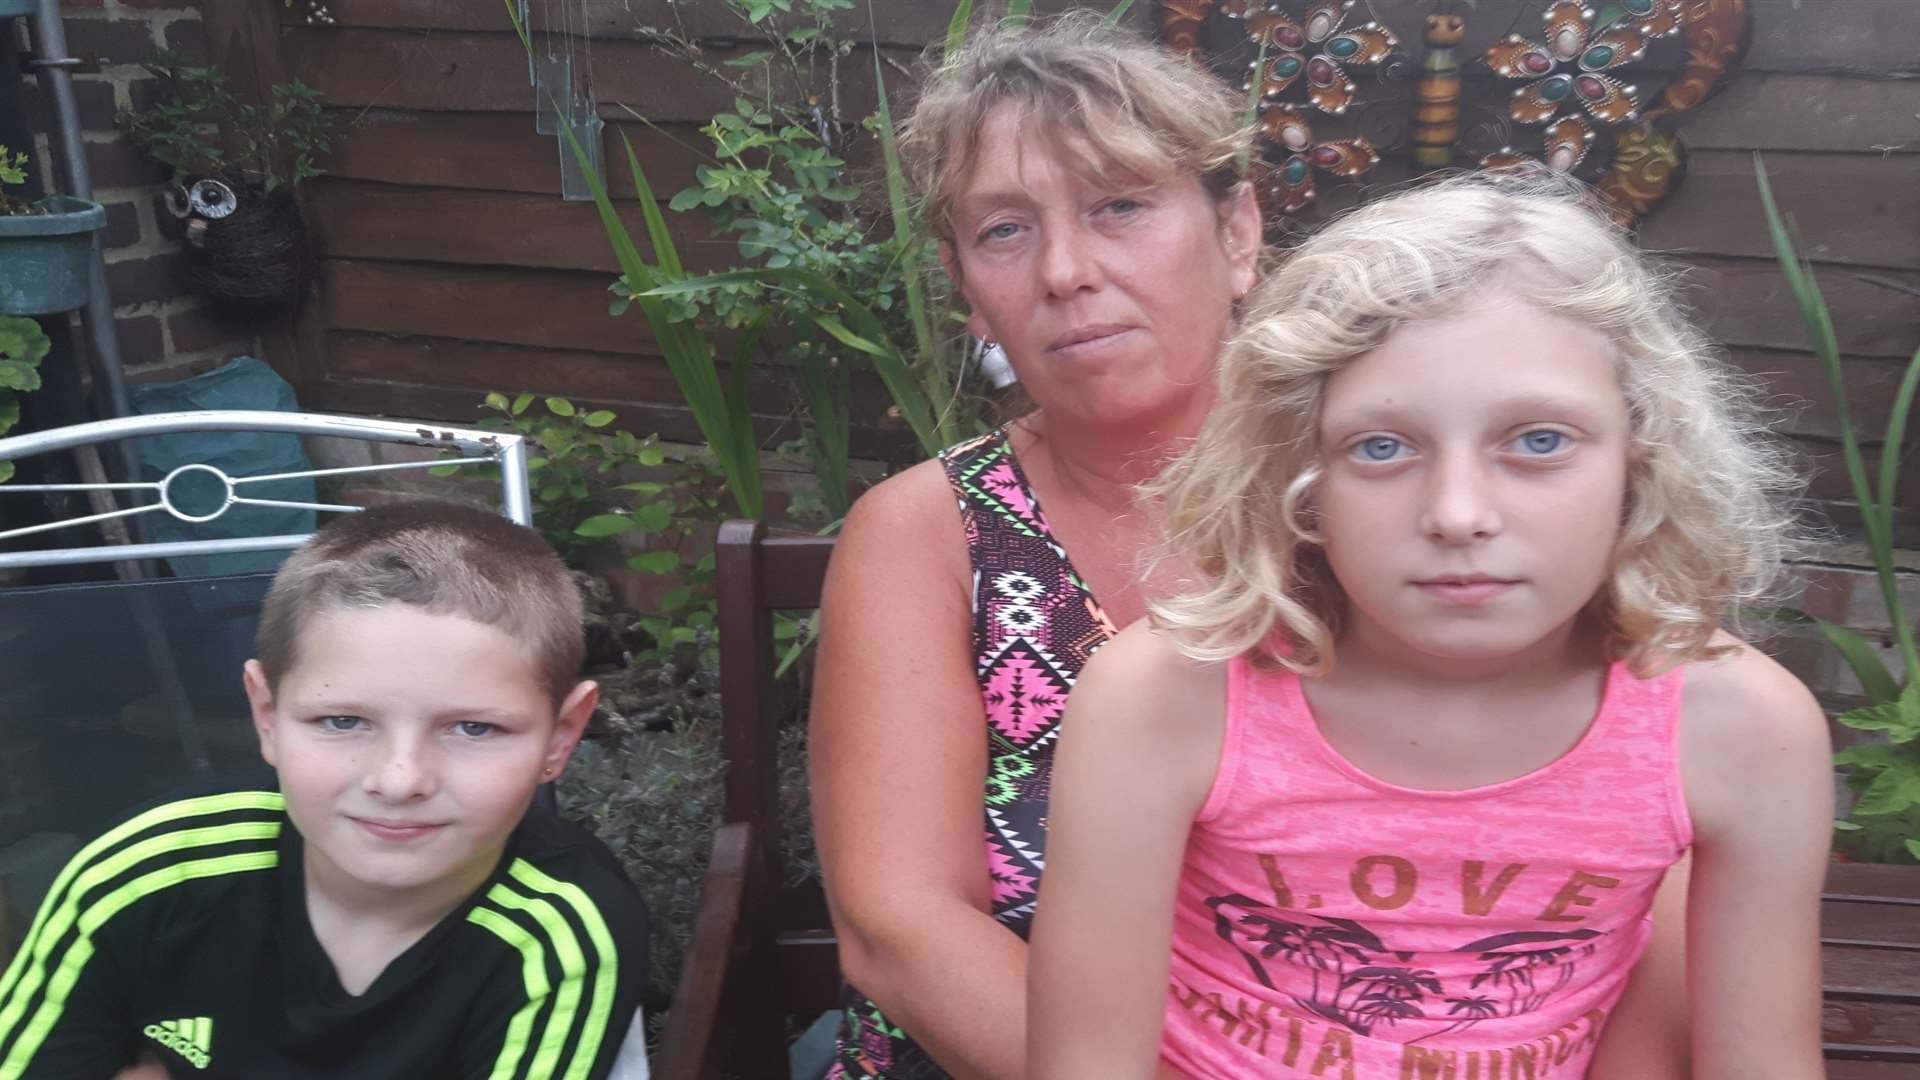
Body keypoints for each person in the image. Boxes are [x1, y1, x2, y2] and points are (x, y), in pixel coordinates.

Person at [811, 17, 1692, 1080]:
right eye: (1004, 230)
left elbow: (1649, 839)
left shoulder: (1408, 494)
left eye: (1120, 207)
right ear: (966, 287)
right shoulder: (927, 532)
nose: (1065, 270)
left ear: (1237, 234)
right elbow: (899, 928)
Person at [1027, 173, 1833, 1078]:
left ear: (1641, 461)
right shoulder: (1168, 696)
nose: (1457, 513)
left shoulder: (1742, 730)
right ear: (1301, 478)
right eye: (1382, 447)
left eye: (1538, 441)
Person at [0, 501, 651, 1079]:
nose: (399, 780)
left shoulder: (560, 937)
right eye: (342, 721)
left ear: (561, 737)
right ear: (266, 717)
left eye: (473, 727)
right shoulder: (148, 872)